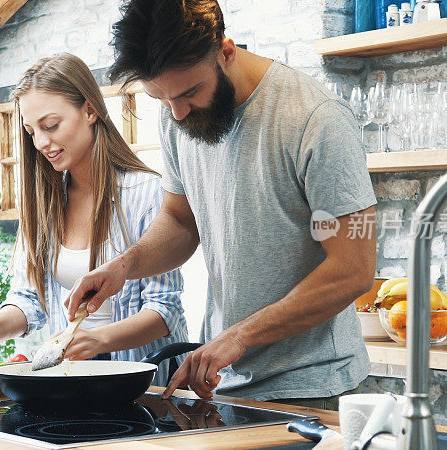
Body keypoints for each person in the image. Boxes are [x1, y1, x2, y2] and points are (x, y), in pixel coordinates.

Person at [66, 0, 377, 409]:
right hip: (227, 384)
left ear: (226, 51)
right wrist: (125, 266)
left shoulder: (315, 118)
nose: (176, 112)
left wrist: (240, 335)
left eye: (189, 92)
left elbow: (353, 269)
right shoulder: (178, 113)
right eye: (160, 99)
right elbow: (180, 222)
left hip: (315, 388)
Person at [0, 53, 189, 386]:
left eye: (51, 126)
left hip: (145, 386)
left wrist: (100, 339)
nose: (42, 143)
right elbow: (28, 300)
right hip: (74, 380)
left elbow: (165, 310)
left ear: (90, 110)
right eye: (32, 132)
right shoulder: (44, 204)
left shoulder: (145, 192)